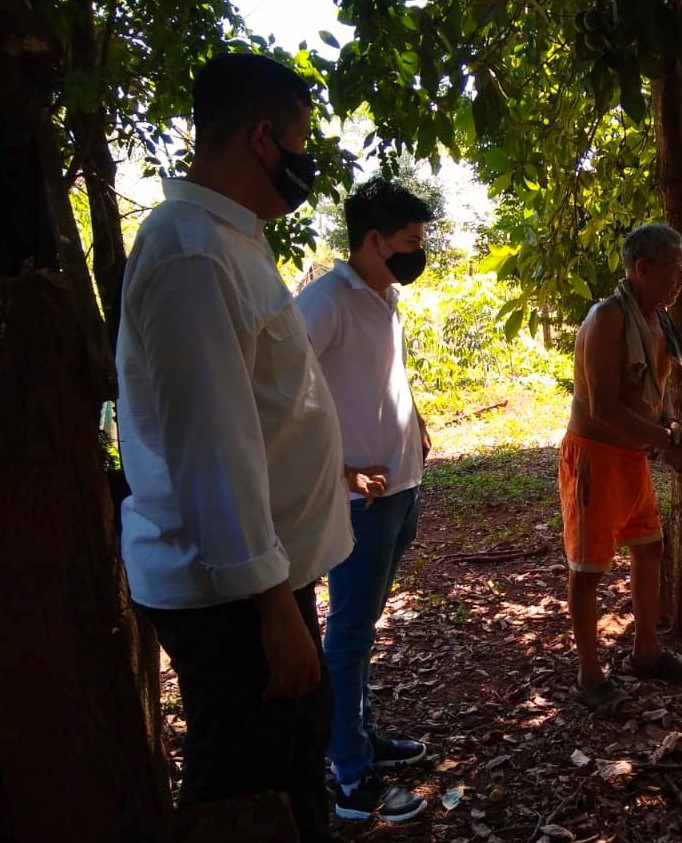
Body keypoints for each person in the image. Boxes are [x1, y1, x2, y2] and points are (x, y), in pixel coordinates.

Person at [115, 53, 351, 842]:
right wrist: (271, 606)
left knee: (289, 762)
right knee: (247, 787)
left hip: (265, 581)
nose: (306, 160)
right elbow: (212, 446)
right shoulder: (191, 254)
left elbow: (263, 409)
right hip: (236, 598)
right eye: (301, 140)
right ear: (261, 138)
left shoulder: (228, 239)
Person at [295, 178, 435, 823]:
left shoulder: (384, 298)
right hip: (362, 501)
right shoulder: (326, 300)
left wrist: (418, 426)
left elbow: (378, 382)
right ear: (373, 240)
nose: (417, 253)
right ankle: (349, 777)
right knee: (347, 635)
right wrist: (342, 471)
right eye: (408, 242)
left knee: (362, 627)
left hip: (401, 489)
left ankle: (361, 737)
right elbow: (283, 397)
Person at [559, 223, 682, 714]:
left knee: (650, 546)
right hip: (595, 459)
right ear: (643, 269)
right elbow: (603, 407)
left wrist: (674, 432)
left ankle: (646, 650)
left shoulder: (658, 323)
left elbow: (654, 403)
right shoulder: (607, 319)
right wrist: (664, 440)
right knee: (589, 568)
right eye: (675, 269)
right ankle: (589, 676)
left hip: (633, 457)